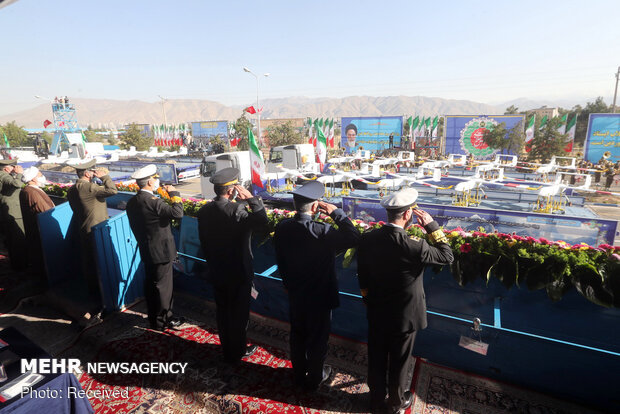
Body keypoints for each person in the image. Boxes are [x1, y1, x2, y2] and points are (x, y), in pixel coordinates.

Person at [357, 188, 453, 414]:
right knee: (400, 361)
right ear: (409, 214)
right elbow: (447, 256)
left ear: (388, 214)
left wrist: (366, 297)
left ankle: (376, 399)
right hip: (405, 316)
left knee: (377, 356)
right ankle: (396, 403)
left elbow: (362, 273)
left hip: (376, 309)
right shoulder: (415, 245)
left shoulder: (368, 238)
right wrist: (431, 226)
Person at [273, 181, 359, 390]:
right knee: (318, 338)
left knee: (298, 334)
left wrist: (286, 284)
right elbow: (354, 237)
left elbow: (281, 260)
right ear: (315, 207)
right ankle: (314, 378)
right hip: (320, 296)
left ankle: (299, 374)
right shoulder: (322, 231)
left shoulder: (282, 227)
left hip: (295, 293)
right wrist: (337, 213)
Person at [197, 167, 268, 363]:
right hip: (238, 271)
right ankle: (236, 351)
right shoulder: (237, 209)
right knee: (238, 313)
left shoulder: (204, 211)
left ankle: (227, 347)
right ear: (232, 190)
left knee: (223, 311)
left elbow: (203, 241)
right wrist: (252, 200)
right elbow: (262, 222)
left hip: (216, 269)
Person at [126, 164, 184, 331]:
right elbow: (177, 213)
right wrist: (174, 194)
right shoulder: (153, 202)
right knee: (164, 288)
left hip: (147, 250)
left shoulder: (133, 201)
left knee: (152, 285)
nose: (158, 182)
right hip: (161, 252)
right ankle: (164, 320)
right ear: (150, 182)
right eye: (156, 179)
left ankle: (154, 318)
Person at [67, 159, 118, 298]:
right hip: (97, 230)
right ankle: (105, 293)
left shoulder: (71, 190)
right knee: (101, 260)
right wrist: (104, 177)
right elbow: (113, 190)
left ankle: (93, 290)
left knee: (89, 260)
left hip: (83, 227)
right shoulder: (90, 188)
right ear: (88, 174)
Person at [19, 167, 55, 278]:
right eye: (40, 174)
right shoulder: (31, 192)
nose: (42, 176)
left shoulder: (31, 190)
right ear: (33, 178)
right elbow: (44, 210)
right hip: (39, 230)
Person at [0, 159, 27, 270]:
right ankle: (21, 265)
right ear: (6, 168)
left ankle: (17, 264)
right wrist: (19, 173)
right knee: (18, 240)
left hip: (8, 211)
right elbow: (16, 184)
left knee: (12, 241)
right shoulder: (4, 176)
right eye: (12, 167)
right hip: (13, 213)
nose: (14, 168)